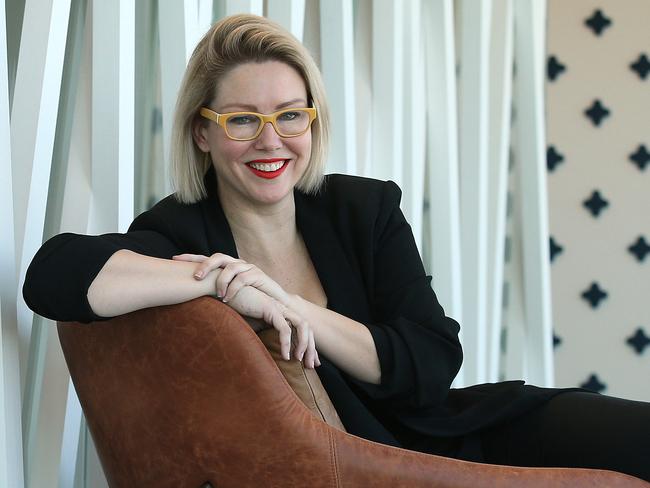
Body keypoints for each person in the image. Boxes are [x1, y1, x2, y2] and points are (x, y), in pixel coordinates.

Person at [23, 14, 650, 481]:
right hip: (383, 468)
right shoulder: (182, 233)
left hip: (460, 428)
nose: (272, 142)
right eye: (242, 120)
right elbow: (51, 274)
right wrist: (218, 281)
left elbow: (432, 362)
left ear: (312, 121)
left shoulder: (363, 208)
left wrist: (296, 310)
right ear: (202, 134)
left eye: (291, 115)